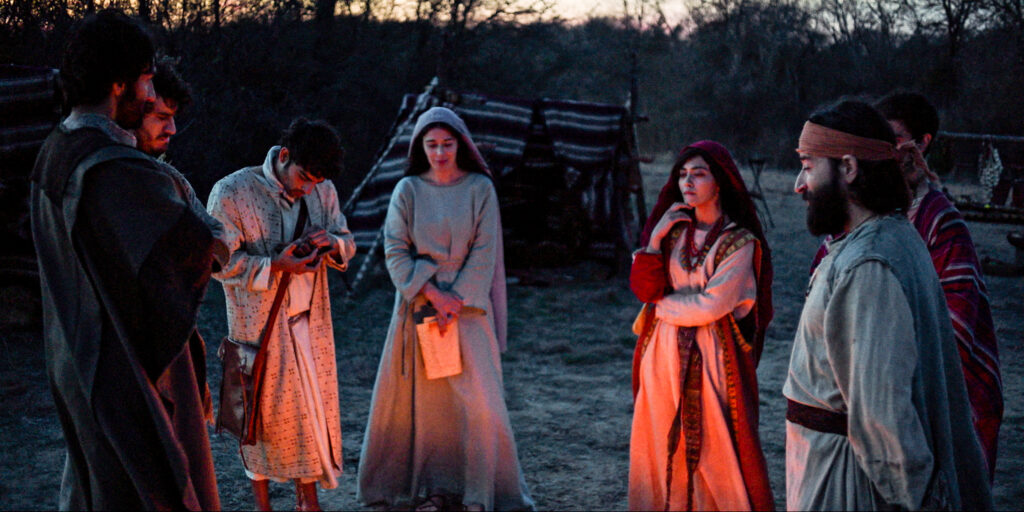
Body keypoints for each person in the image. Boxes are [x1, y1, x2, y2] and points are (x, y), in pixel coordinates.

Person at [30, 9, 220, 510]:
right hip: (125, 371)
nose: (152, 96)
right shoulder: (118, 171)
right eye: (147, 80)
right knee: (149, 487)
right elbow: (192, 252)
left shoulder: (56, 150)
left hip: (75, 358)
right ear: (119, 84)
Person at [786, 99, 992, 510]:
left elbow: (884, 417)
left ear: (848, 168)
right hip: (822, 461)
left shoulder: (869, 265)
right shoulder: (878, 241)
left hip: (844, 480)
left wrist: (915, 500)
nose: (799, 184)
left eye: (808, 166)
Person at [357, 106, 534, 512]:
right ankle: (435, 489)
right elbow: (394, 250)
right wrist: (434, 295)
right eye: (432, 145)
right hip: (420, 304)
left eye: (447, 144)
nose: (440, 153)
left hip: (468, 309)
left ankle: (478, 495)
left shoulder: (480, 188)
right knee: (429, 406)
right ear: (420, 147)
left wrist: (455, 300)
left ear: (461, 145)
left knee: (479, 403)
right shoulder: (407, 190)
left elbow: (486, 251)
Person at [207, 118, 356, 511]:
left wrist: (330, 243)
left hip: (310, 322)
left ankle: (308, 501)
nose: (307, 189)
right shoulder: (232, 191)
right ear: (285, 156)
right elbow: (218, 263)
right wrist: (274, 264)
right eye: (304, 178)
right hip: (259, 328)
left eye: (315, 183)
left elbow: (346, 240)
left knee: (309, 415)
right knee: (259, 418)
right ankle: (264, 506)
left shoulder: (322, 189)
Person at [627, 140, 774, 511]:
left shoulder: (740, 242)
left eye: (699, 174)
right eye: (682, 175)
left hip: (712, 358)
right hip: (661, 357)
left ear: (719, 182)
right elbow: (644, 289)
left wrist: (661, 306)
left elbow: (711, 306)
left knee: (713, 449)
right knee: (659, 439)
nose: (687, 182)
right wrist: (655, 238)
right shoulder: (674, 233)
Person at [135, 55, 226, 262]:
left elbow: (217, 234)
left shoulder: (172, 179)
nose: (172, 129)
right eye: (162, 117)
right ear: (133, 111)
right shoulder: (110, 175)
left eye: (173, 118)